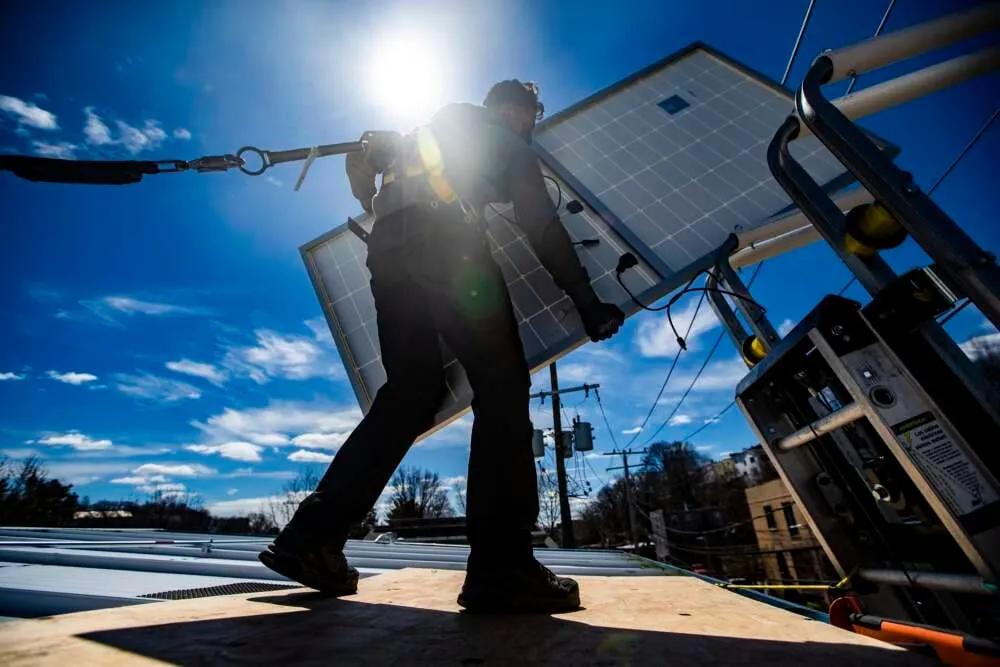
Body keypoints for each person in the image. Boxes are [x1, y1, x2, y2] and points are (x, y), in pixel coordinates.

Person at [259, 80, 625, 613]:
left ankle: (311, 538)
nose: (533, 125)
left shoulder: (421, 136)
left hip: (388, 256)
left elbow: (367, 184)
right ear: (508, 109)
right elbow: (541, 226)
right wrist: (587, 303)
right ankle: (503, 569)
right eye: (531, 114)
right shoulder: (504, 140)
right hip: (453, 252)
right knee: (500, 389)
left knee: (411, 393)